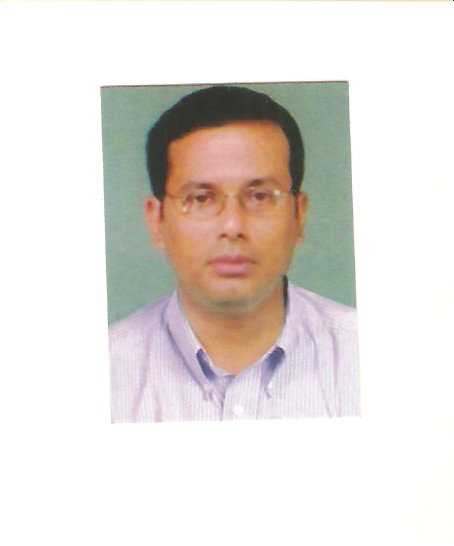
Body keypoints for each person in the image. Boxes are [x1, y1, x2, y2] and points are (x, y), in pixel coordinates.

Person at [109, 85, 360, 422]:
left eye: (260, 197)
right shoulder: (104, 371)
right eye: (200, 199)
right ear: (156, 221)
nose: (232, 226)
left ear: (299, 216)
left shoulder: (368, 355)